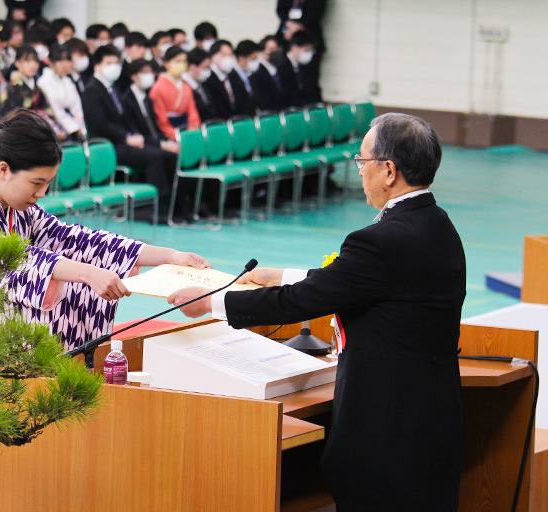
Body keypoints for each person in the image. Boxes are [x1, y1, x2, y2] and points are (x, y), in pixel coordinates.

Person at [168, 113, 466, 512]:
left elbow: (303, 301)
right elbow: (363, 280)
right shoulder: (437, 223)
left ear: (389, 170)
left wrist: (209, 302)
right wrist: (281, 274)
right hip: (432, 411)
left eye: (363, 163)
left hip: (386, 421)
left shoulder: (381, 240)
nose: (359, 173)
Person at [0, 108, 210, 349]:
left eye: (48, 184)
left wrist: (170, 256)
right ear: (4, 169)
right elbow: (15, 260)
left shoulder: (19, 210)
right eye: (36, 183)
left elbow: (75, 240)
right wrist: (89, 274)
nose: (42, 193)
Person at [82, 46, 175, 222]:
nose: (114, 67)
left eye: (116, 63)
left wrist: (134, 136)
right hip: (108, 145)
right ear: (97, 66)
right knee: (154, 156)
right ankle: (149, 207)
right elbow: (100, 124)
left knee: (165, 153)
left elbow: (123, 120)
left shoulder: (112, 88)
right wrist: (126, 138)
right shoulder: (92, 90)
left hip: (122, 141)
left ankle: (170, 205)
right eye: (109, 63)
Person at [148, 46, 200, 141]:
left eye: (184, 61)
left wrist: (193, 129)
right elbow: (161, 119)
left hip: (187, 127)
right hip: (170, 131)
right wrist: (175, 135)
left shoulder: (186, 86)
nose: (182, 64)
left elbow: (192, 111)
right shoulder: (158, 88)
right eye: (177, 61)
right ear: (166, 64)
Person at [36, 44, 85, 141]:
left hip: (74, 128)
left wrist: (80, 127)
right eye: (60, 60)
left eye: (68, 60)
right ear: (51, 62)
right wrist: (72, 128)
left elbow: (77, 106)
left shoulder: (68, 81)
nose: (65, 64)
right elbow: (55, 109)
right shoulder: (44, 82)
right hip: (55, 129)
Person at [278, 30, 321, 108]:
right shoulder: (282, 67)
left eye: (311, 51)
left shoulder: (306, 67)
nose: (309, 54)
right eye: (306, 50)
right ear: (294, 47)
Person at [181, 47, 217, 122]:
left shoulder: (203, 84)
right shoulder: (183, 87)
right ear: (192, 67)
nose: (208, 71)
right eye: (205, 68)